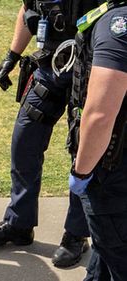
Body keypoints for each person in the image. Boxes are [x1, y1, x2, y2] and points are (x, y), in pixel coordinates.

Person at [0, 0, 95, 268]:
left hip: (90, 66)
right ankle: (19, 223)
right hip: (50, 66)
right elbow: (29, 8)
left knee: (82, 149)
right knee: (24, 141)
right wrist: (12, 55)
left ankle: (76, 234)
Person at [68, 0, 127, 279]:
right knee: (103, 261)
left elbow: (100, 115)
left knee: (115, 252)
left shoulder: (118, 24)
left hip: (113, 174)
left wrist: (81, 172)